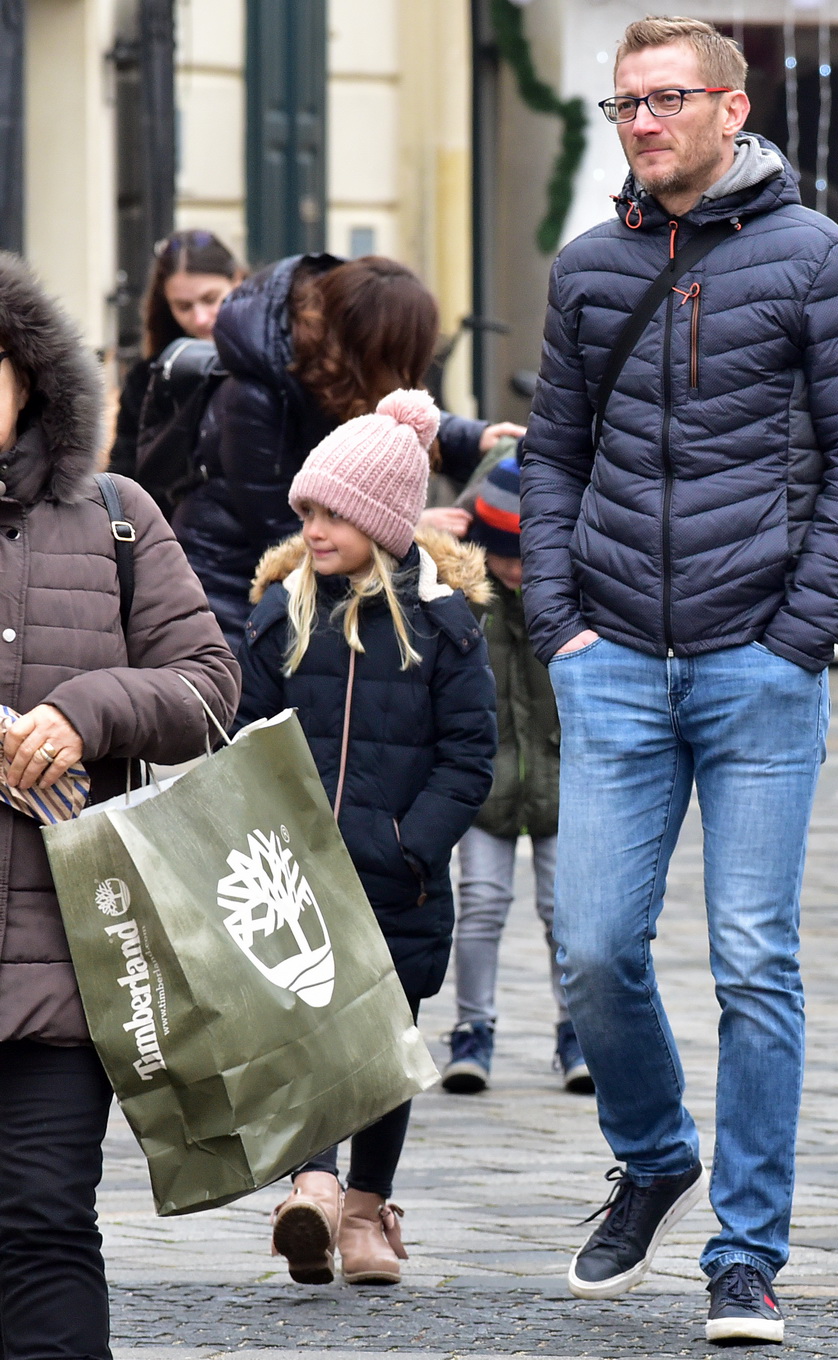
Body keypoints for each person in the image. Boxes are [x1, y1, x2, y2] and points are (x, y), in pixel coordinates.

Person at [519, 16, 838, 1344]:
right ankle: (655, 1151)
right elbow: (551, 452)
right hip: (611, 658)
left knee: (755, 960)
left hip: (760, 664)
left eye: (666, 98)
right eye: (627, 103)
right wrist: (557, 619)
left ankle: (746, 1254)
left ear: (733, 110)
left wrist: (806, 628)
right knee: (596, 950)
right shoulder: (586, 270)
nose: (641, 120)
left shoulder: (820, 261)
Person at [0, 252, 241, 1360]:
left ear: (30, 377)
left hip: (69, 956)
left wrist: (87, 710)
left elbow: (207, 687)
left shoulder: (117, 515)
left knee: (45, 1222)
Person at [235, 388, 496, 1287]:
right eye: (306, 509)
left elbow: (470, 758)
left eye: (333, 512)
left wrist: (408, 844)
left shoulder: (445, 629)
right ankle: (310, 1188)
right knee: (301, 1031)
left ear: (382, 520)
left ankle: (363, 1209)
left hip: (397, 880)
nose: (312, 527)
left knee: (387, 1047)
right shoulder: (279, 618)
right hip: (295, 877)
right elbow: (244, 738)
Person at [179, 252, 522, 651]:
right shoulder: (255, 397)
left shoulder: (336, 362)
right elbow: (284, 531)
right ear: (381, 349)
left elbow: (384, 408)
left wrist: (473, 437)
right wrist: (403, 527)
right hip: (229, 585)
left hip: (300, 590)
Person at [441, 454, 592, 1097]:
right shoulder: (465, 594)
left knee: (567, 911)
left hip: (565, 779)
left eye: (529, 555)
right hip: (483, 782)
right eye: (505, 554)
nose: (517, 569)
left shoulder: (577, 593)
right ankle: (472, 1030)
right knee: (479, 903)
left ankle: (577, 1031)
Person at [108, 229, 244, 478]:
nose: (200, 318)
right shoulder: (147, 379)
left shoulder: (269, 362)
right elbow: (125, 475)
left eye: (211, 299)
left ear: (237, 281)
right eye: (183, 306)